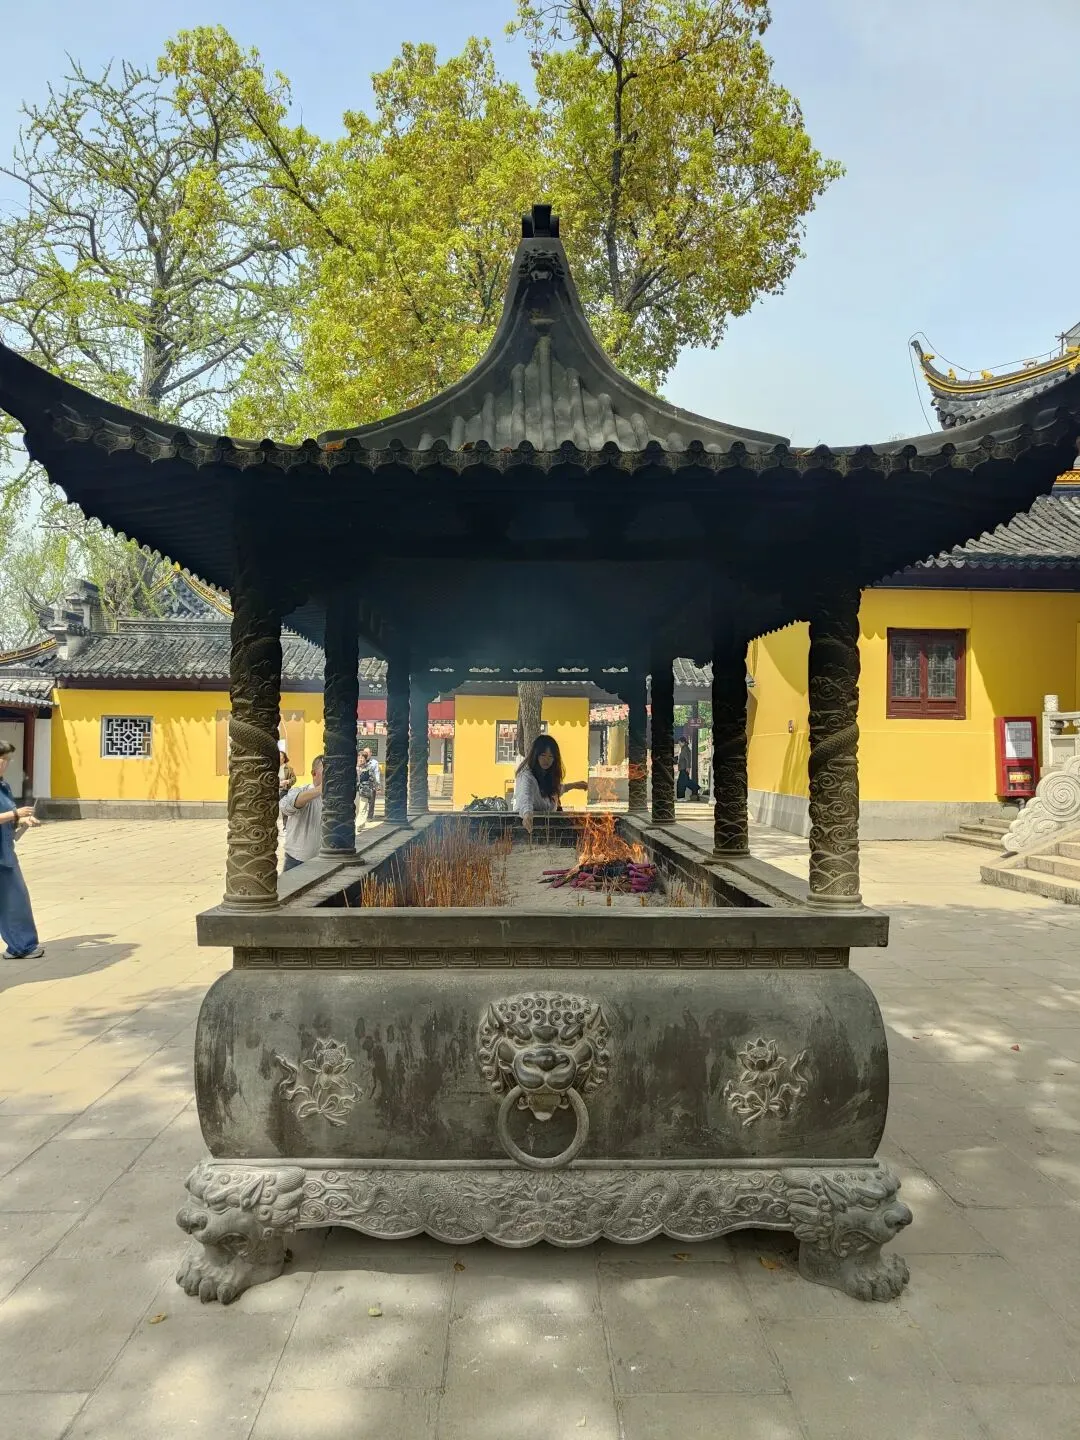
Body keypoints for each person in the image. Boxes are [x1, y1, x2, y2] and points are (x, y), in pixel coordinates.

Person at [0, 740, 43, 958]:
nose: (5, 764)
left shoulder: (4, 786)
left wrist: (23, 820)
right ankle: (21, 946)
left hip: (5, 851)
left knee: (16, 900)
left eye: (7, 759)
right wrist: (15, 814)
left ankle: (21, 946)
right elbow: (10, 813)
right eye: (2, 759)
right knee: (12, 901)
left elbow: (9, 817)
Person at [512, 735, 588, 835]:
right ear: (536, 755)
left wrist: (575, 785)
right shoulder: (526, 776)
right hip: (526, 829)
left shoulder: (547, 774)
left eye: (550, 757)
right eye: (543, 755)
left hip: (547, 830)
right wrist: (527, 815)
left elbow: (555, 791)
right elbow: (525, 797)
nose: (546, 760)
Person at [279, 755, 323, 870]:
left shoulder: (336, 798)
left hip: (324, 861)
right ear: (314, 773)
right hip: (297, 860)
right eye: (326, 772)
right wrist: (320, 789)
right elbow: (285, 806)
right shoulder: (301, 790)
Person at [357, 746, 381, 827]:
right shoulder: (355, 767)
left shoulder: (371, 766)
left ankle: (362, 822)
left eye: (362, 758)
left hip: (366, 789)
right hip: (356, 790)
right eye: (359, 758)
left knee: (365, 806)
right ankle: (361, 822)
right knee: (359, 808)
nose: (361, 759)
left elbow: (375, 775)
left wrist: (377, 786)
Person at [676, 735, 701, 800]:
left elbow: (688, 759)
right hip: (683, 768)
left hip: (684, 768)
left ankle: (681, 797)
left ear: (683, 742)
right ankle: (696, 788)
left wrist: (688, 767)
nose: (679, 744)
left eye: (679, 743)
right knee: (684, 782)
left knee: (681, 783)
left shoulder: (685, 749)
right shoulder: (683, 748)